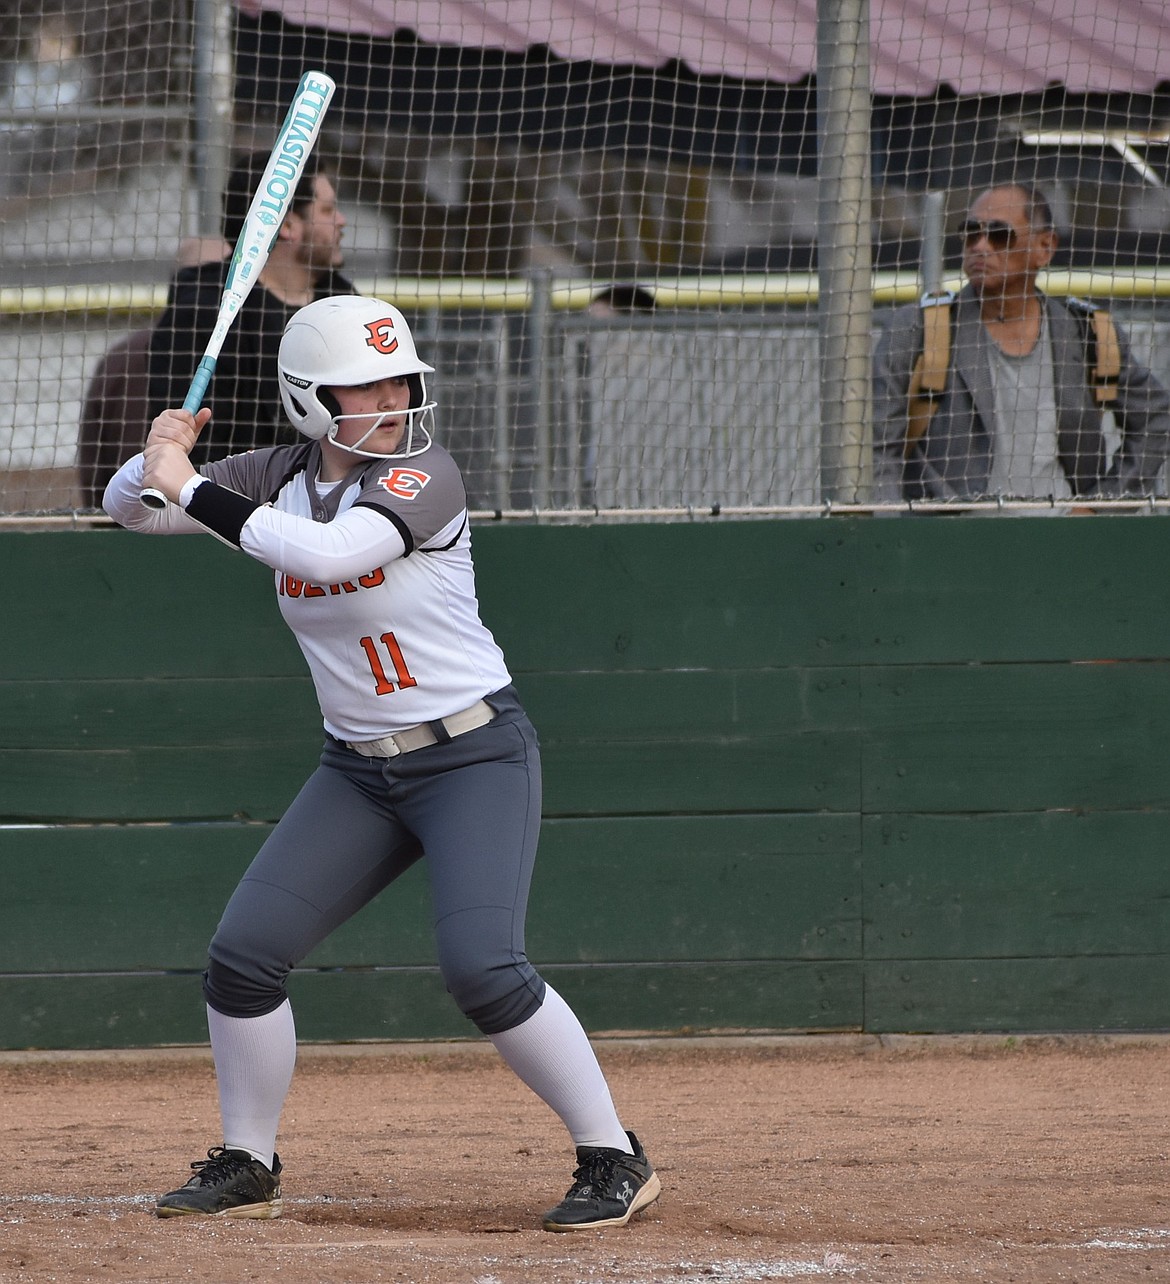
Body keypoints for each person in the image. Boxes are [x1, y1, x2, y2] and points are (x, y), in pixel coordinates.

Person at [102, 294, 661, 1232]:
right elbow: (132, 512)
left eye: (402, 379)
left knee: (484, 967)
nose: (395, 398)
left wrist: (190, 484)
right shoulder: (277, 472)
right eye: (368, 385)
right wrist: (157, 455)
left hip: (472, 753)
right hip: (359, 770)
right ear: (312, 399)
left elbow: (327, 558)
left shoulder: (423, 475)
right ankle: (249, 1159)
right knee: (242, 960)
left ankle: (614, 1155)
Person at [873, 183, 1170, 504]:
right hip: (949, 543)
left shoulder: (1089, 334)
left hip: (1058, 544)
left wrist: (1101, 506)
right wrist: (894, 531)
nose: (980, 246)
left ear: (1045, 246)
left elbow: (1155, 418)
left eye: (999, 235)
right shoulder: (918, 328)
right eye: (971, 233)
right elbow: (876, 444)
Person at [146, 150, 354, 465]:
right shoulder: (208, 313)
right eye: (327, 210)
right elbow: (198, 448)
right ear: (287, 226)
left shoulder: (342, 302)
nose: (341, 221)